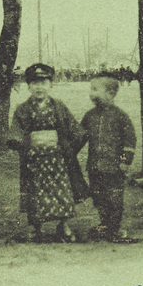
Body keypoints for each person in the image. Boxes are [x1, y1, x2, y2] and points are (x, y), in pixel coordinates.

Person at [8, 63, 89, 243]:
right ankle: (35, 228)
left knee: (61, 191)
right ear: (28, 86)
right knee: (35, 193)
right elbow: (17, 130)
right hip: (33, 159)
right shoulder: (23, 109)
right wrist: (18, 141)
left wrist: (70, 146)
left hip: (57, 159)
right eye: (34, 83)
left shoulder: (58, 106)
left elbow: (74, 129)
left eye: (43, 83)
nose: (39, 87)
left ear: (51, 85)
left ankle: (64, 225)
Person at [78, 74, 137, 242]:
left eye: (96, 89)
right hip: (95, 166)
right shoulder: (89, 116)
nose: (91, 93)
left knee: (114, 198)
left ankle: (114, 228)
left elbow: (130, 139)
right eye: (91, 89)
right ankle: (104, 224)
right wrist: (68, 151)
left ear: (111, 94)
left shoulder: (120, 116)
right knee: (99, 197)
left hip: (114, 168)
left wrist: (125, 161)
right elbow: (80, 137)